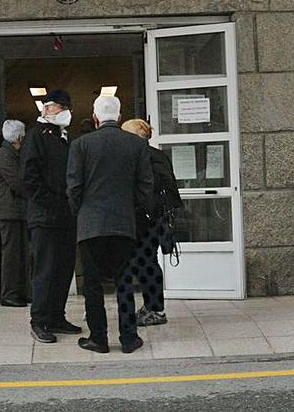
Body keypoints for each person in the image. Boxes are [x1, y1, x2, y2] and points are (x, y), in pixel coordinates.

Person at [67, 96, 154, 354]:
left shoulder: (80, 145)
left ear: (95, 118)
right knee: (124, 281)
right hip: (123, 224)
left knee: (92, 285)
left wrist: (80, 214)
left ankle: (98, 338)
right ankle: (129, 338)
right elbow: (145, 186)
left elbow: (73, 188)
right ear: (119, 118)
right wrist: (135, 211)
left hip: (91, 225)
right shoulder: (135, 145)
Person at [21, 89, 81, 343]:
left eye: (67, 107)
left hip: (65, 216)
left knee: (63, 268)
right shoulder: (37, 136)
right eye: (59, 107)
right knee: (45, 269)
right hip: (45, 215)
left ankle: (57, 315)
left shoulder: (63, 136)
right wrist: (50, 202)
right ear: (46, 109)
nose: (64, 111)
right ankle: (40, 319)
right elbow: (29, 178)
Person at [120, 118, 181, 327]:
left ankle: (156, 309)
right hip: (151, 218)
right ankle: (152, 306)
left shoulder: (144, 157)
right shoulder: (156, 155)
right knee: (145, 262)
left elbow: (152, 189)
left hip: (147, 220)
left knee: (145, 263)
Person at [0, 119, 30, 307]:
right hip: (10, 212)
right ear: (19, 138)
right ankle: (9, 293)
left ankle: (19, 291)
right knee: (12, 255)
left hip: (14, 212)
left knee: (18, 253)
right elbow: (18, 183)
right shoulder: (6, 156)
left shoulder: (7, 154)